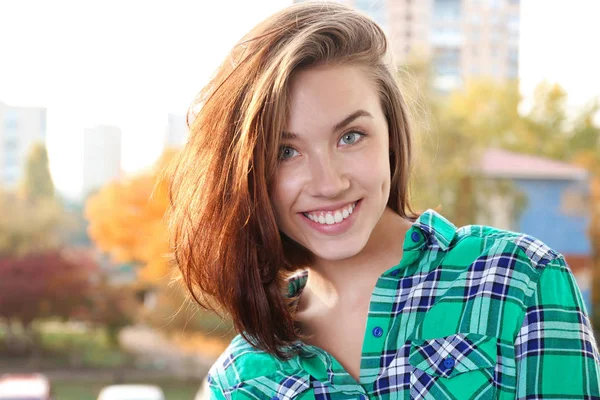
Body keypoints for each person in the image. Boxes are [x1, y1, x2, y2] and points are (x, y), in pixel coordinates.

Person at [167, 2, 600, 399]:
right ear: (248, 172)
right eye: (286, 152)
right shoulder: (242, 379)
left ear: (390, 136)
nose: (329, 182)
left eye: (350, 136)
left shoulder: (518, 279)